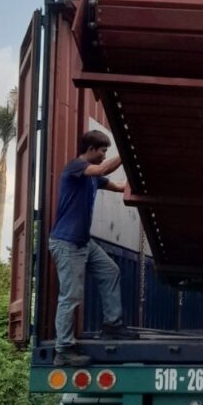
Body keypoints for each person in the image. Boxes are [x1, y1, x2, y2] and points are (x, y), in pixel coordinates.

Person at [48, 130, 134, 367]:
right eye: (103, 150)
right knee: (71, 295)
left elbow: (118, 185)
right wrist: (128, 151)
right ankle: (63, 350)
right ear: (91, 149)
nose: (105, 154)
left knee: (111, 271)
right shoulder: (76, 167)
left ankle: (112, 326)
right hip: (66, 243)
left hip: (83, 241)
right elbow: (104, 169)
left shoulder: (95, 177)